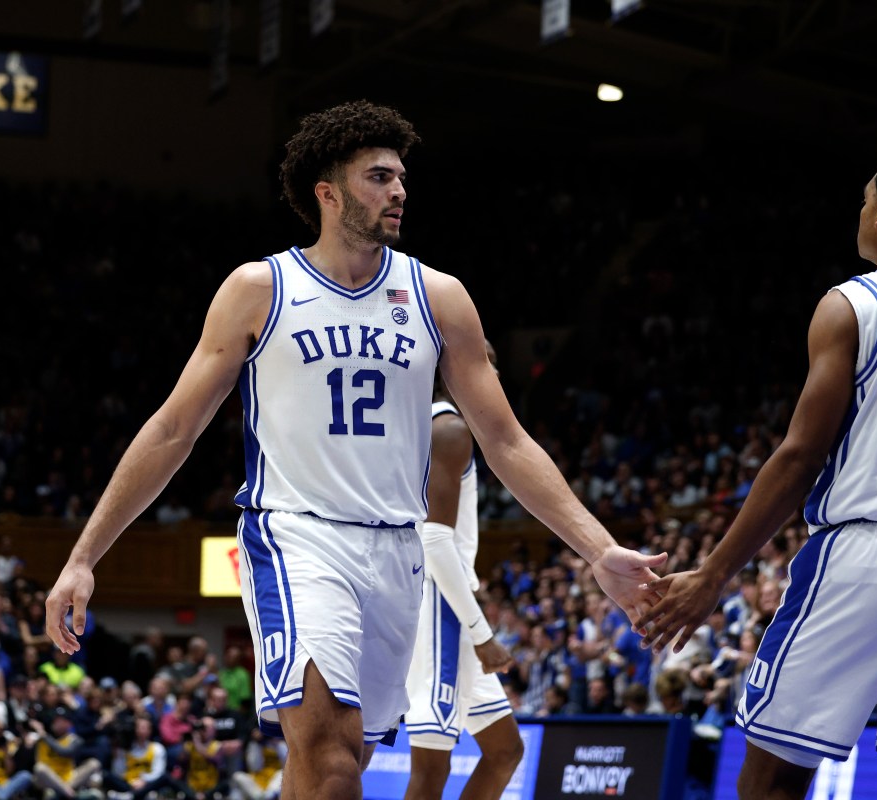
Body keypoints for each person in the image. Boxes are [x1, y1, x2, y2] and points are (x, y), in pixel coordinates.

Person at [44, 99, 664, 800]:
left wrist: (598, 548)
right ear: (329, 194)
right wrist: (83, 556)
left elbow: (507, 440)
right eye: (378, 177)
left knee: (330, 770)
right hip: (297, 538)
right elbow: (171, 429)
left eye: (401, 176)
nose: (399, 190)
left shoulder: (440, 297)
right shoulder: (260, 289)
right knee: (332, 760)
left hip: (397, 553)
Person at [637, 146, 877, 800]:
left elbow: (800, 456)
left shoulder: (853, 303)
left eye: (866, 200)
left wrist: (713, 575)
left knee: (773, 779)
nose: (861, 211)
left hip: (868, 551)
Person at [404, 346, 525, 800]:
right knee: (431, 766)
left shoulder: (423, 422)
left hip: (434, 596)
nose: (494, 369)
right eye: (486, 358)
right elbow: (435, 540)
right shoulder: (448, 427)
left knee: (505, 750)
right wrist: (480, 632)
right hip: (438, 604)